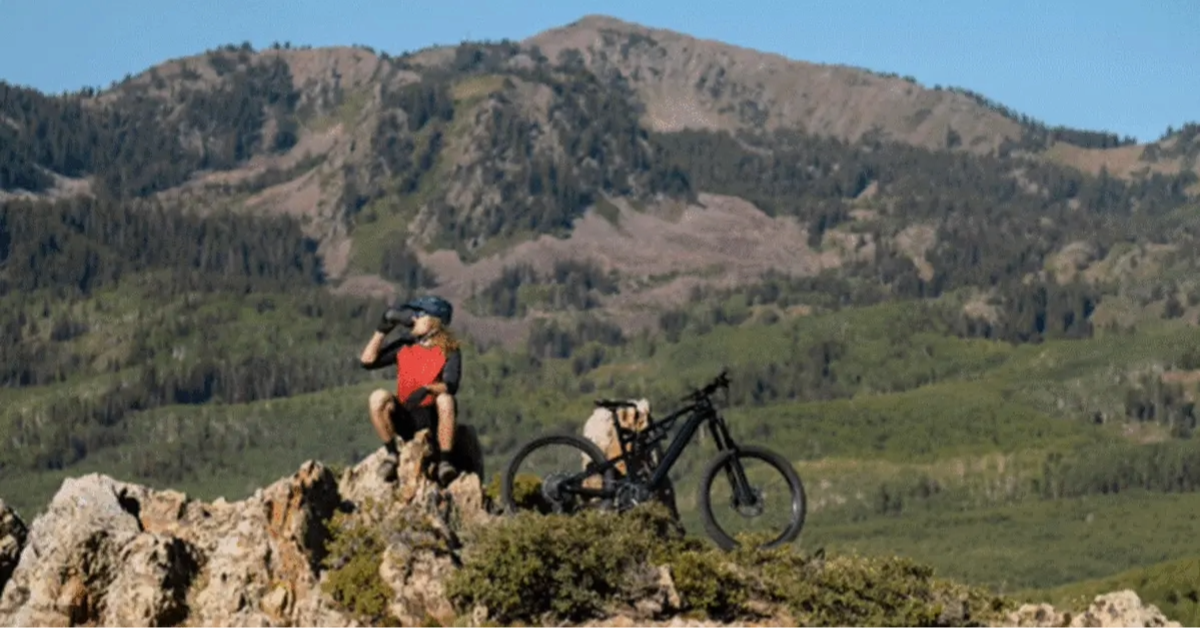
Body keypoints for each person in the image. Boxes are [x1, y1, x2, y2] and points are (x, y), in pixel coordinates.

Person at [359, 294, 462, 484]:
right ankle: (392, 454)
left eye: (419, 315)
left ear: (433, 322)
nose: (412, 319)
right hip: (406, 413)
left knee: (446, 399)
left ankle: (446, 463)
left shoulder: (449, 350)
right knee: (377, 398)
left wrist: (427, 389)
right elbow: (367, 361)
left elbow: (451, 385)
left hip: (431, 416)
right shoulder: (405, 345)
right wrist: (382, 329)